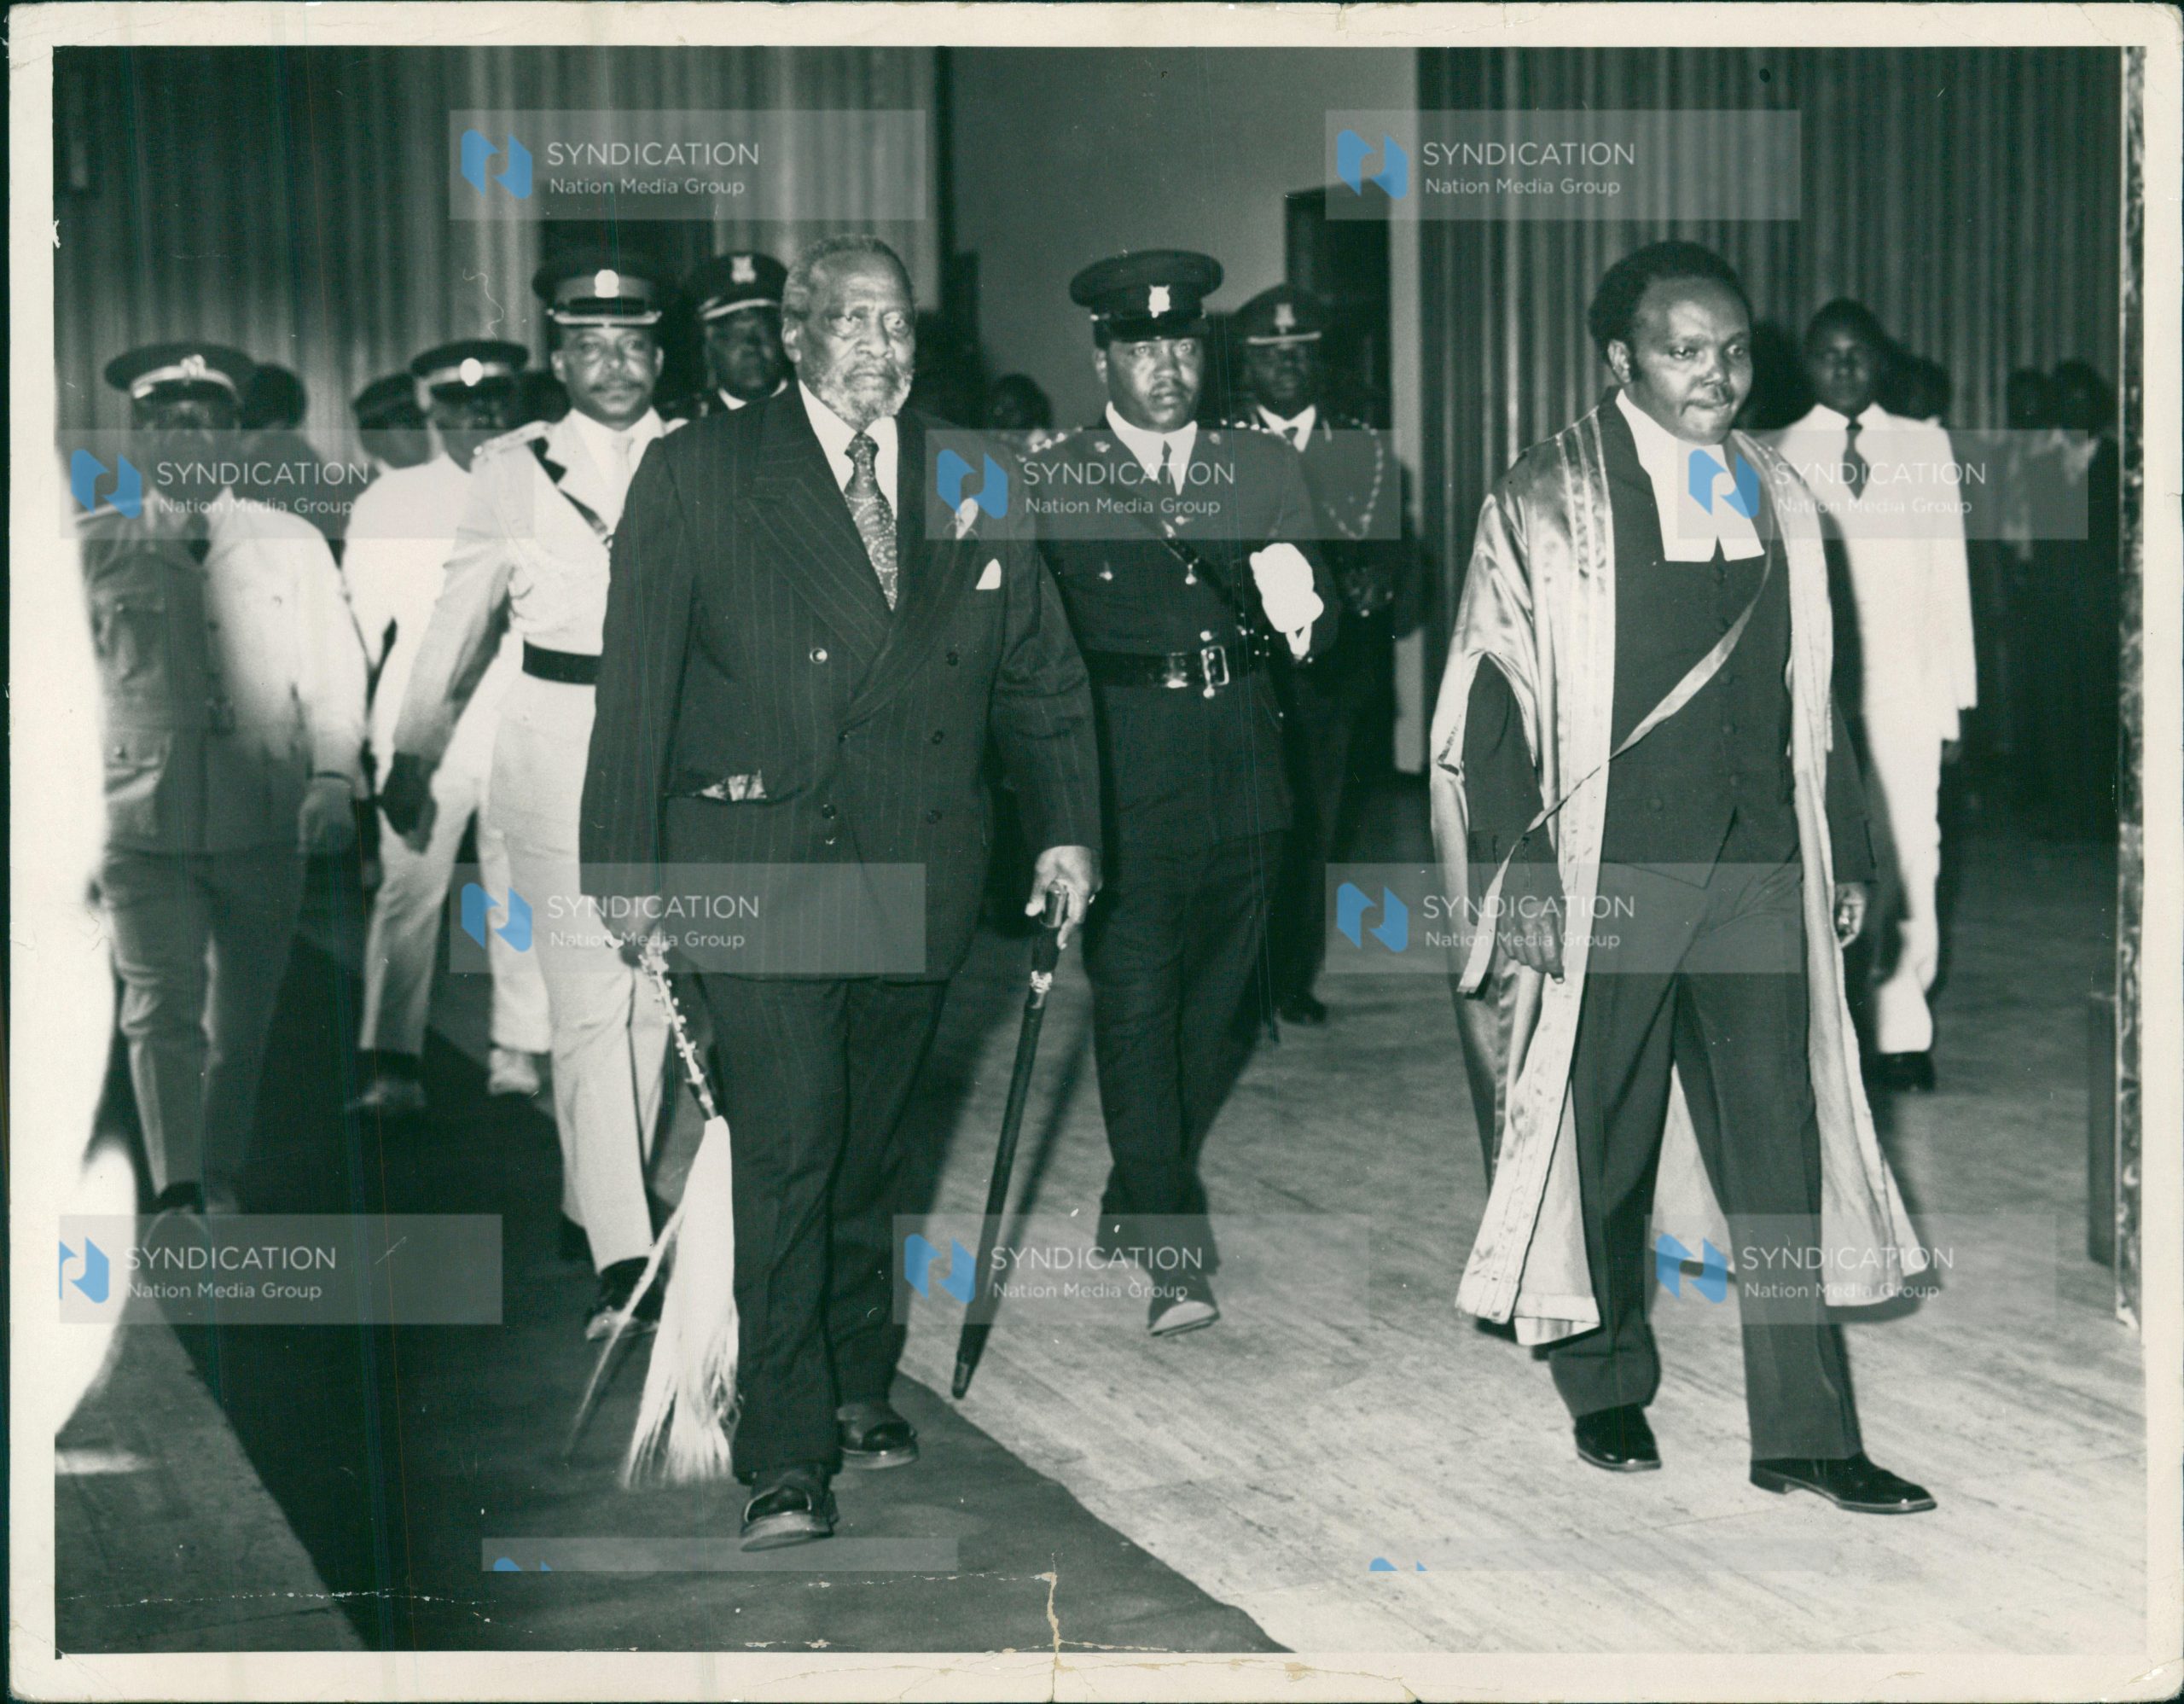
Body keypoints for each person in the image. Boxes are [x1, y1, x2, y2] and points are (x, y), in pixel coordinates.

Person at [582, 234, 1101, 1549]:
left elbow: (1038, 673)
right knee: (796, 1141)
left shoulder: (978, 472)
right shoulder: (700, 472)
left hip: (921, 864)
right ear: (794, 333)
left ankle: (858, 1373)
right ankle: (785, 1442)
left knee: (872, 1139)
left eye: (898, 324)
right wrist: (624, 872)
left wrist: (1065, 831)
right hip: (758, 862)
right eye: (852, 324)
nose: (881, 348)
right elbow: (634, 682)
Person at [1430, 242, 1934, 1515]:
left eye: (1731, 350)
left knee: (1781, 1151)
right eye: (1681, 350)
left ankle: (1806, 1433)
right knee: (1603, 1142)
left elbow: (1813, 694)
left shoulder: (1780, 486)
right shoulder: (1542, 499)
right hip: (1612, 872)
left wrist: (1847, 846)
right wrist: (1521, 871)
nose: (1715, 374)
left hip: (1760, 866)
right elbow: (1486, 702)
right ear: (1620, 360)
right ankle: (1605, 1379)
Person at [1034, 250, 1339, 1337]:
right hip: (1123, 776)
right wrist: (1049, 816)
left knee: (1219, 1013)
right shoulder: (1055, 477)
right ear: (1101, 355)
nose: (1166, 367)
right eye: (1140, 347)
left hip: (1246, 769)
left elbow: (1314, 621)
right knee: (1136, 1003)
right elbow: (1032, 662)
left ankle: (1137, 1183)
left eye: (1180, 345)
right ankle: (1170, 1249)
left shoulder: (1255, 467)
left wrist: (1305, 605)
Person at [383, 253, 678, 1339]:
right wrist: (412, 749)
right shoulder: (514, 467)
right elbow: (460, 617)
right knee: (591, 994)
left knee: (652, 995)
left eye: (635, 342)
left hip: (671, 753)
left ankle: (589, 1197)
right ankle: (623, 1249)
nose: (615, 363)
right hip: (552, 749)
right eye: (591, 345)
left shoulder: (698, 454)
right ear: (558, 356)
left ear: (659, 352)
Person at [84, 341, 368, 1215]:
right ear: (137, 439)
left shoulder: (289, 543)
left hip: (262, 813)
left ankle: (217, 1166)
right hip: (139, 816)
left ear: (236, 438)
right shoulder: (96, 545)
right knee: (160, 1008)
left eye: (205, 425)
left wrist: (332, 778)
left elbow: (334, 672)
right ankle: (175, 1189)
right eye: (165, 426)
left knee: (239, 1022)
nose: (186, 443)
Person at [343, 340, 552, 1116]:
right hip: (422, 739)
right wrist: (368, 753)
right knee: (408, 897)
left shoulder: (545, 484)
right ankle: (390, 1061)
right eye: (461, 409)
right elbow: (364, 639)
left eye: (494, 404)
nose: (480, 421)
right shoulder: (389, 503)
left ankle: (518, 1048)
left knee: (519, 893)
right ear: (430, 412)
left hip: (525, 726)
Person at [1773, 302, 1976, 1092]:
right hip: (1816, 693)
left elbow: (1949, 579)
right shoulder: (1775, 450)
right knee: (1817, 856)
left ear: (1881, 361)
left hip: (1905, 689)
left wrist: (1954, 701)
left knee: (1912, 853)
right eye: (1830, 354)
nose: (1846, 367)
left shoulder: (1925, 445)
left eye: (1860, 353)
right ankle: (1823, 1027)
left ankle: (1900, 1028)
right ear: (1809, 364)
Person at [1222, 282, 1416, 1026]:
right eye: (1272, 357)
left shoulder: (1361, 446)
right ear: (1246, 364)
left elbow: (1391, 550)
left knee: (1316, 828)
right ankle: (1237, 978)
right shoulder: (1214, 444)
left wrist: (1379, 580)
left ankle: (1289, 977)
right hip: (1244, 674)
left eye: (1302, 354)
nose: (1289, 369)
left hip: (1331, 679)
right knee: (1247, 832)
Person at [668, 249, 790, 420]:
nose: (750, 346)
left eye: (764, 330)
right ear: (707, 348)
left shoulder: (823, 415)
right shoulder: (683, 426)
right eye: (733, 336)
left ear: (786, 337)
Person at [351, 372, 433, 474]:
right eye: (405, 423)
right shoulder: (359, 488)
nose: (419, 431)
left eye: (418, 420)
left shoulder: (439, 480)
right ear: (374, 439)